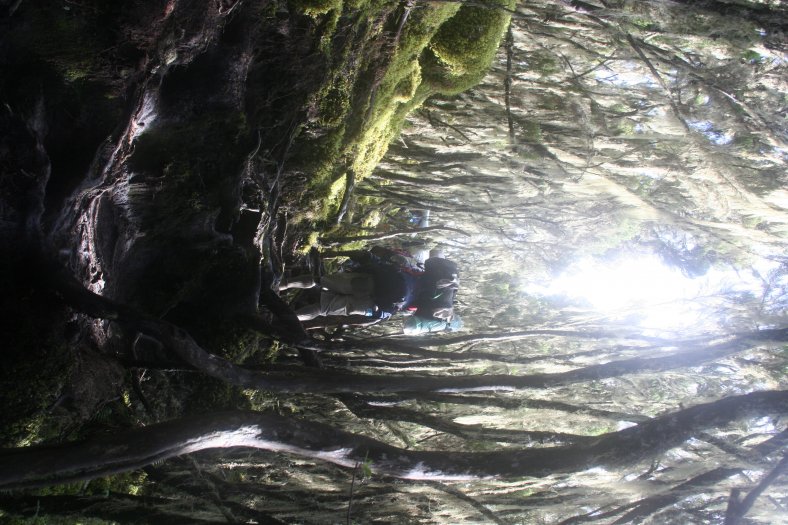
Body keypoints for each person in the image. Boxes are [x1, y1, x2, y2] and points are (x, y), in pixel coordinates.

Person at [281, 247, 462, 335]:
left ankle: (281, 285)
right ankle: (282, 318)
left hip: (378, 281)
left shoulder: (441, 284)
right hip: (379, 305)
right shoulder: (437, 310)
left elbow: (433, 254)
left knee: (320, 281)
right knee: (323, 309)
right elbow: (410, 323)